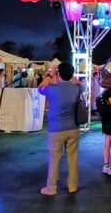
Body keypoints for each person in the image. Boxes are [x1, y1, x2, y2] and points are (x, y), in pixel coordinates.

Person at [38, 62, 82, 196]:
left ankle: (51, 187)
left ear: (58, 74)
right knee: (73, 157)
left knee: (54, 158)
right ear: (72, 73)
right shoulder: (77, 88)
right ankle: (72, 185)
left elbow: (40, 88)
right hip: (73, 127)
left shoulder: (52, 88)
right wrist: (71, 75)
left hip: (56, 129)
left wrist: (50, 74)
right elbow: (79, 83)